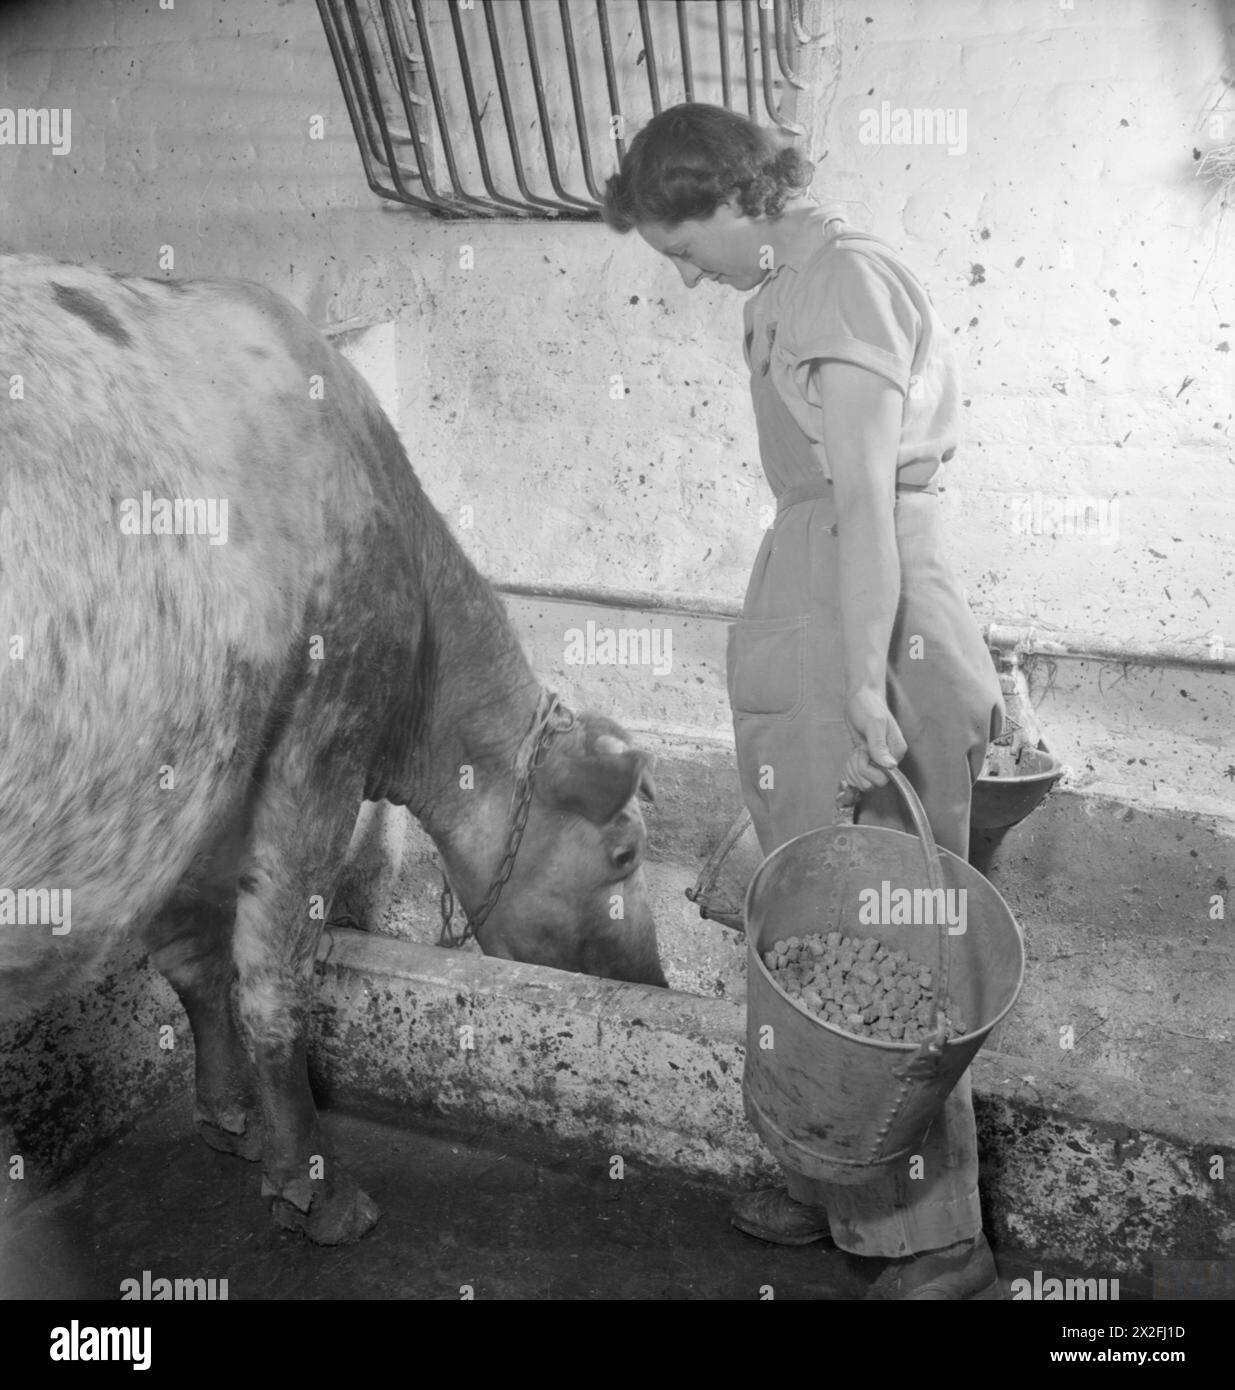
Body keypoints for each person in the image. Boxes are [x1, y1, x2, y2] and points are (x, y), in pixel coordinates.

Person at [603, 103, 1005, 1300]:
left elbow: (871, 506)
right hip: (814, 590)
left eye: (681, 248)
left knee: (888, 932)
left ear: (731, 199)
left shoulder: (840, 282)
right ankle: (844, 1174)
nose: (680, 278)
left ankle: (936, 1242)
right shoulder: (786, 292)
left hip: (862, 613)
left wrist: (865, 679)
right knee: (815, 920)